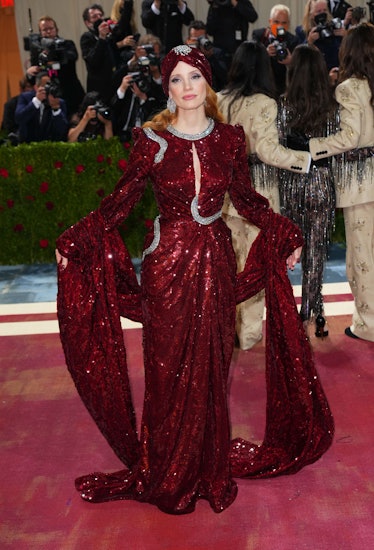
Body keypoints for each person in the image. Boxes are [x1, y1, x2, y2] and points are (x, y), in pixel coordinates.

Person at [55, 45, 334, 514]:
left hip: (216, 265)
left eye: (195, 77)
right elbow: (119, 205)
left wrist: (285, 233)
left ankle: (207, 468)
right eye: (177, 79)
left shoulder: (229, 139)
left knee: (211, 371)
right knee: (167, 374)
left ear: (208, 84)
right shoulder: (150, 140)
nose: (187, 88)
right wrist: (74, 241)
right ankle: (167, 470)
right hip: (167, 268)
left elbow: (247, 201)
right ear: (167, 88)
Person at [217, 41, 311, 350]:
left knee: (228, 263)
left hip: (223, 192)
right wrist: (304, 160)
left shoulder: (217, 100)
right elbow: (269, 151)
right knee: (255, 264)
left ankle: (225, 330)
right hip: (258, 190)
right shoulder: (266, 103)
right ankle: (249, 335)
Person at [308, 23, 374, 342]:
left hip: (361, 182)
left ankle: (368, 325)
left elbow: (349, 137)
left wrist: (312, 145)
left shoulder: (349, 88)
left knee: (362, 259)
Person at [277, 45, 339, 338]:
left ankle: (293, 313)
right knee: (316, 253)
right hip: (322, 183)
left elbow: (277, 146)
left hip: (292, 184)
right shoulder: (332, 107)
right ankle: (314, 312)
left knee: (291, 250)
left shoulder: (283, 105)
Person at [26, 15, 85, 117]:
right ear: (40, 33)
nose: (48, 32)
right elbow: (34, 78)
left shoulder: (67, 44)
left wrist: (54, 54)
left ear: (56, 30)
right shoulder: (38, 50)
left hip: (71, 93)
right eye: (45, 30)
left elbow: (72, 58)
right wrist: (29, 72)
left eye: (51, 28)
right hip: (49, 97)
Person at [252, 4, 300, 97]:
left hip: (283, 87)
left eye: (284, 23)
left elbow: (299, 70)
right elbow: (251, 60)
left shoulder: (293, 40)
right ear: (270, 22)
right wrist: (264, 53)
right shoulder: (259, 35)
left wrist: (290, 62)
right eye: (276, 22)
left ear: (288, 24)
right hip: (260, 86)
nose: (279, 26)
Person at [15, 71, 68, 143]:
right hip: (27, 144)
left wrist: (56, 109)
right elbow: (19, 119)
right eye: (46, 86)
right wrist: (36, 101)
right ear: (36, 87)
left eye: (51, 86)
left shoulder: (59, 102)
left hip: (50, 146)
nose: (48, 89)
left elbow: (62, 131)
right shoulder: (26, 98)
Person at [295, 0, 348, 71]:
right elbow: (298, 58)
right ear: (310, 14)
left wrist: (346, 36)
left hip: (335, 70)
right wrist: (309, 42)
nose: (322, 14)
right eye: (318, 11)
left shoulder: (334, 27)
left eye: (324, 10)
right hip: (314, 73)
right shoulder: (302, 31)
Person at [80, 4, 117, 102]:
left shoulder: (109, 36)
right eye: (94, 17)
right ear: (88, 23)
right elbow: (93, 61)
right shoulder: (86, 38)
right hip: (98, 88)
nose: (99, 19)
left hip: (113, 85)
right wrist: (101, 38)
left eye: (100, 15)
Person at [206, 0, 258, 68]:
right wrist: (215, 8)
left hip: (239, 51)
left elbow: (253, 17)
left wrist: (236, 4)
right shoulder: (216, 5)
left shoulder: (241, 2)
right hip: (220, 52)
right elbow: (210, 30)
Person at [186, 20, 228, 92]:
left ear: (206, 38)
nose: (198, 43)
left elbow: (225, 77)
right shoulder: (182, 54)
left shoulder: (216, 53)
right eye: (195, 40)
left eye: (201, 39)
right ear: (188, 40)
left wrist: (210, 57)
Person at [1, 77, 34, 143]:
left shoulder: (43, 102)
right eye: (29, 87)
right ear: (21, 89)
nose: (33, 90)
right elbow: (8, 126)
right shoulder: (10, 104)